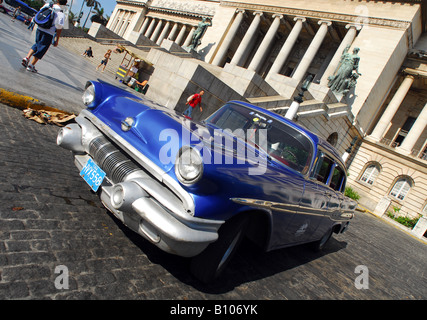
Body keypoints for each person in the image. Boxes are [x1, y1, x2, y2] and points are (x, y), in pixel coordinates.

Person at [21, 0, 67, 73]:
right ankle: (31, 65)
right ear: (65, 4)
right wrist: (57, 40)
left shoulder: (48, 5)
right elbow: (59, 28)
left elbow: (40, 12)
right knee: (42, 49)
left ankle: (27, 58)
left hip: (39, 28)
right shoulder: (61, 14)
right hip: (49, 33)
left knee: (37, 44)